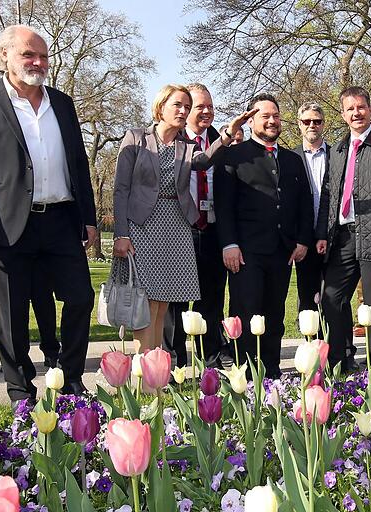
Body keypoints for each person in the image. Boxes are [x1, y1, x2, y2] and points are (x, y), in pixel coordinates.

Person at [0, 25, 96, 403]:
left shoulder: (62, 103)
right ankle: (20, 388)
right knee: (10, 312)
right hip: (7, 224)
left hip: (62, 220)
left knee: (81, 297)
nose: (38, 63)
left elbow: (79, 164)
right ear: (4, 57)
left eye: (43, 56)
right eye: (28, 55)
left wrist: (90, 218)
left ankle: (71, 377)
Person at [112, 84, 247, 352]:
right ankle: (144, 369)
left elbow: (204, 161)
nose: (184, 110)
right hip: (143, 227)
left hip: (176, 225)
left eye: (187, 106)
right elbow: (121, 189)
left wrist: (228, 134)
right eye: (178, 105)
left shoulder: (185, 145)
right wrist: (121, 233)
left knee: (163, 302)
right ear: (161, 106)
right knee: (147, 302)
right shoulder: (136, 138)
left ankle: (157, 370)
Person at [215, 93, 313, 378]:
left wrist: (303, 239)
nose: (272, 121)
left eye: (276, 115)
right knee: (247, 312)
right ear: (251, 119)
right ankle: (245, 374)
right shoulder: (234, 156)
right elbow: (224, 206)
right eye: (264, 116)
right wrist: (229, 244)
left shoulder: (293, 160)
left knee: (274, 313)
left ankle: (271, 373)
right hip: (245, 251)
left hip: (282, 250)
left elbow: (304, 203)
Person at [318, 86, 371, 371]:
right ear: (343, 114)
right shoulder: (339, 148)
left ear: (369, 109)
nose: (356, 113)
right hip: (342, 236)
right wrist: (322, 233)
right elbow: (329, 195)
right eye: (350, 109)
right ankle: (341, 360)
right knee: (332, 298)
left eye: (361, 107)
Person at [162, 84, 232, 367]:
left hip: (213, 228)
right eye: (199, 106)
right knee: (175, 301)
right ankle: (175, 361)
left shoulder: (226, 144)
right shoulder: (172, 141)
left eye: (210, 107)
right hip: (180, 229)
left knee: (212, 297)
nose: (206, 112)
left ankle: (210, 356)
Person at [293, 102, 329, 315]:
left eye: (317, 121)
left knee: (333, 295)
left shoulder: (337, 155)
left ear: (323, 124)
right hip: (302, 238)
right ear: (299, 124)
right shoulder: (290, 158)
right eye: (307, 121)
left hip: (332, 237)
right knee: (307, 294)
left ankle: (340, 345)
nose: (312, 125)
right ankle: (310, 342)